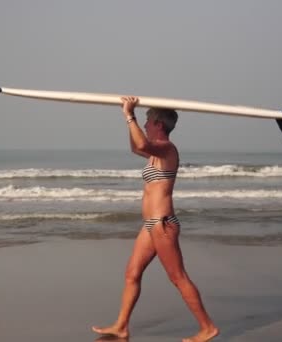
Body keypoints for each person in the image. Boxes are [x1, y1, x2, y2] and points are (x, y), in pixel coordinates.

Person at [92, 97, 219, 342]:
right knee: (132, 274)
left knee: (178, 277)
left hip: (162, 224)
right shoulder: (153, 151)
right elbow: (136, 147)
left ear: (159, 124)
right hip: (149, 226)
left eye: (149, 120)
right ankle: (121, 326)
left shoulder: (167, 149)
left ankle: (208, 327)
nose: (146, 124)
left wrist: (129, 115)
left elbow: (140, 141)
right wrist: (131, 117)